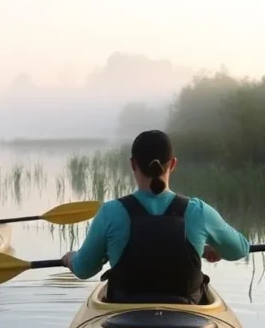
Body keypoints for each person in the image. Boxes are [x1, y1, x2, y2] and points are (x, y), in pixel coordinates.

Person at [60, 129, 250, 304]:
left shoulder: (110, 213)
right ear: (173, 164)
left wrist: (70, 259)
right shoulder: (198, 211)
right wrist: (210, 247)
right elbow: (240, 249)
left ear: (133, 164)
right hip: (188, 319)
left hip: (124, 320)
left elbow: (84, 269)